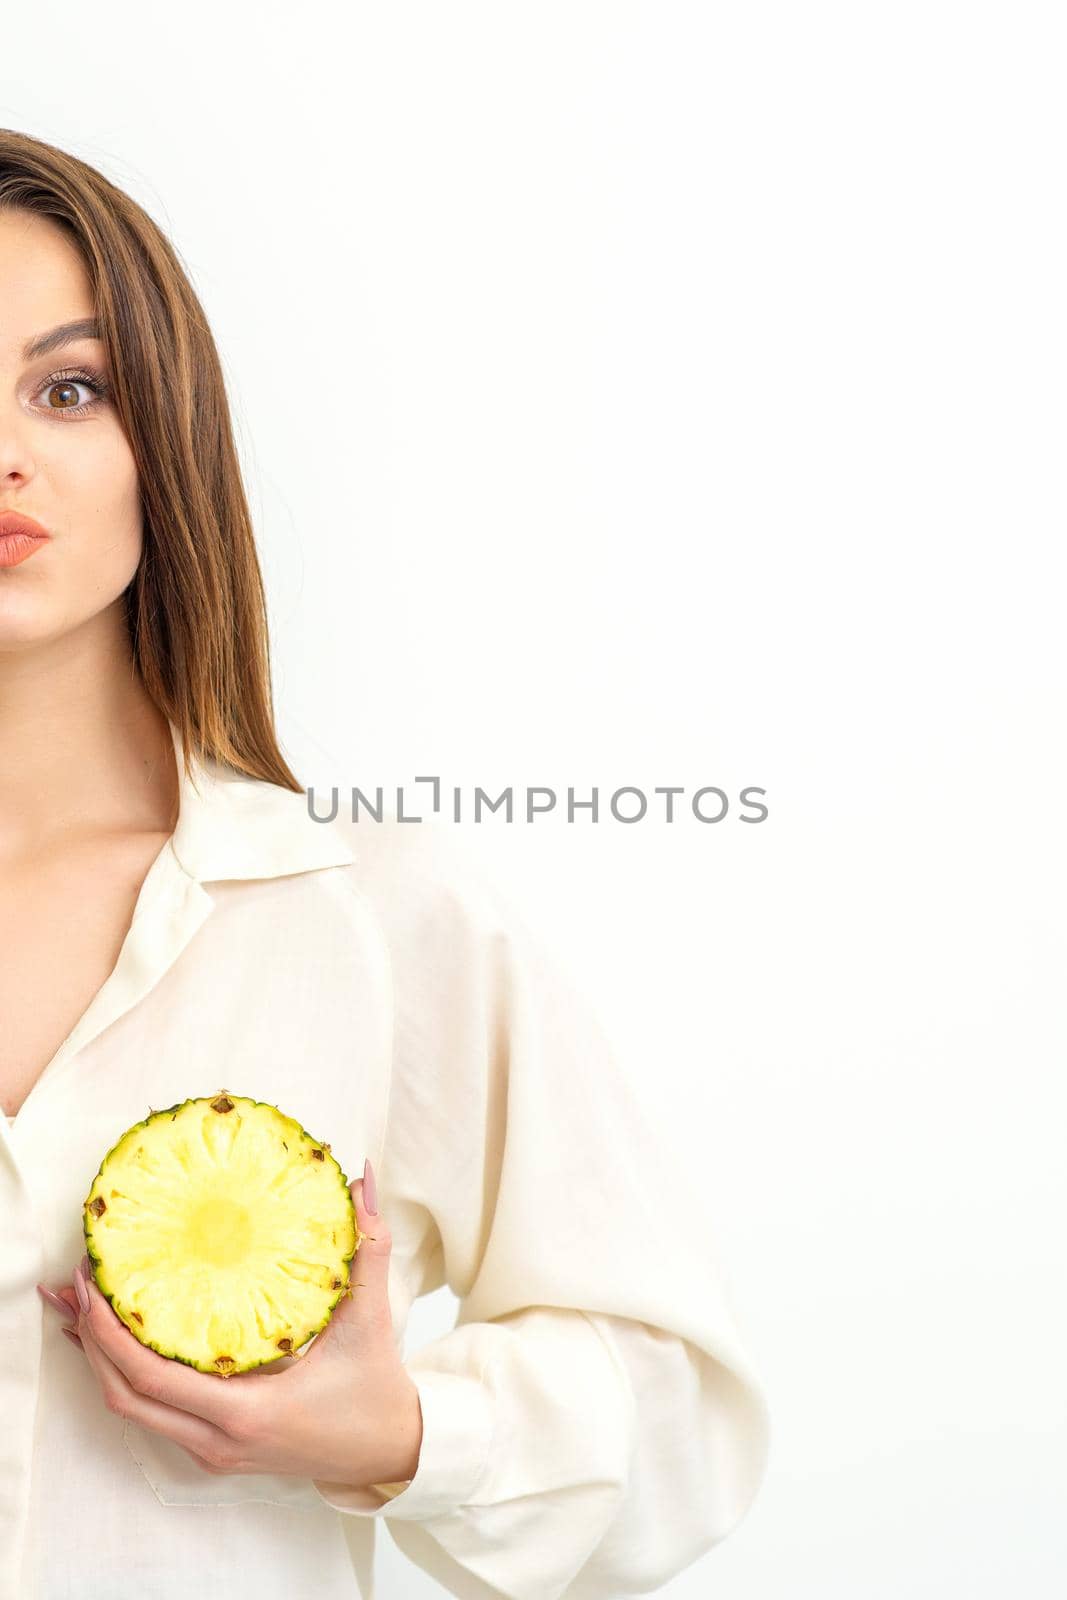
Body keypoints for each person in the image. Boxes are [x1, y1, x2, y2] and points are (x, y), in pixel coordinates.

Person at [0, 127, 770, 1600]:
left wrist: (410, 1427)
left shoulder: (377, 921)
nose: (6, 452)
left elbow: (686, 1424)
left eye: (70, 386)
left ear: (166, 436)